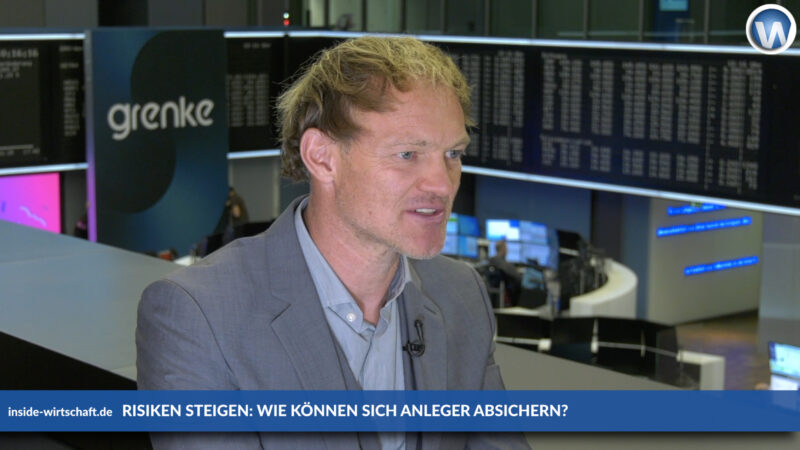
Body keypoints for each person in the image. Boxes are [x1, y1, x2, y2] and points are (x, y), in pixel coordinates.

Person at [136, 36, 530, 449]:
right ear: (322, 157)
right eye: (408, 154)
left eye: (453, 154)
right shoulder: (198, 316)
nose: (442, 185)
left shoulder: (461, 294)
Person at [489, 240, 523, 306]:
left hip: (494, 296)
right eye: (507, 248)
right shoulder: (505, 264)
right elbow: (518, 278)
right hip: (508, 296)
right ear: (503, 249)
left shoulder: (491, 260)